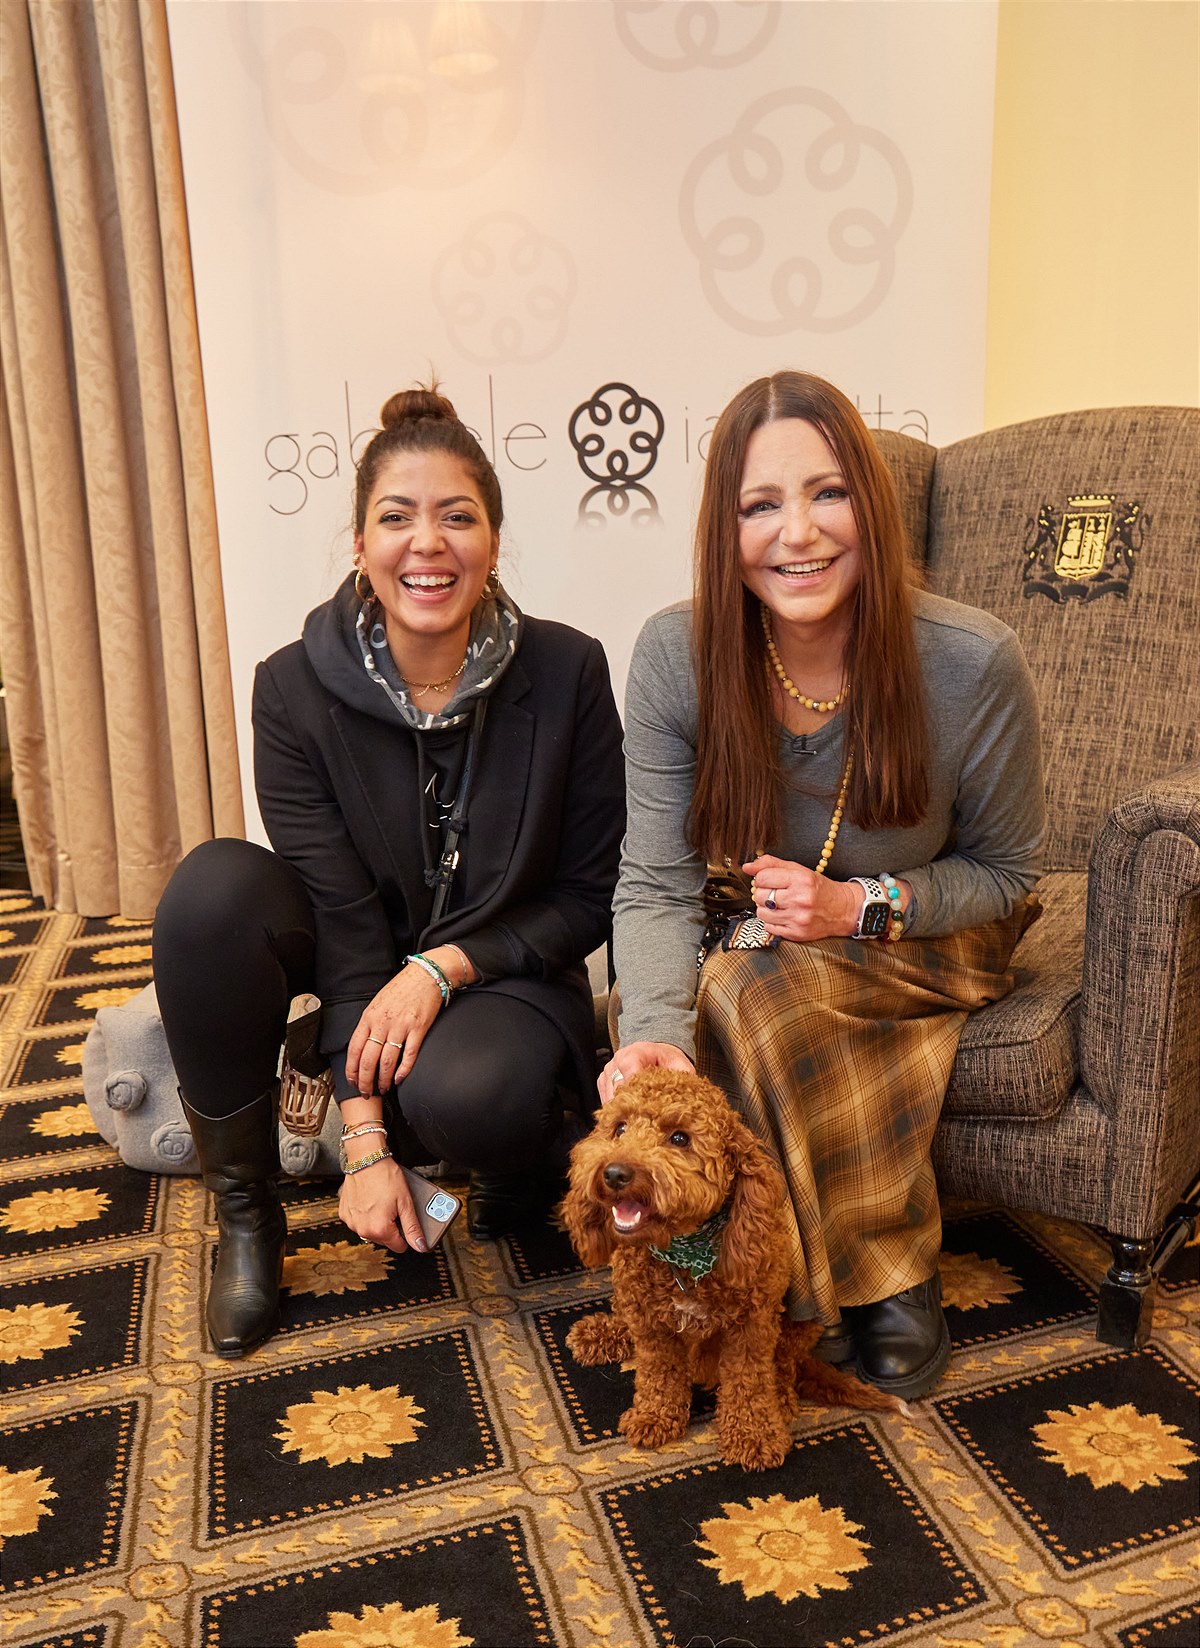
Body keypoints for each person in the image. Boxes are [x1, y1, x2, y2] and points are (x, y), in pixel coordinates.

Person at [153, 386, 625, 1358]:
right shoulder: (290, 689)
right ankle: (245, 1215)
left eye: (458, 515)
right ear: (360, 544)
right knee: (210, 894)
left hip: (505, 965)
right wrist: (361, 1140)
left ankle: (527, 1153)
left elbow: (584, 895)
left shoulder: (568, 670)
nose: (429, 542)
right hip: (358, 952)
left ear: (494, 539)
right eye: (397, 517)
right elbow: (343, 918)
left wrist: (441, 968)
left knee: (476, 1099)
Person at [601, 371, 1044, 1400]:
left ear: (870, 508)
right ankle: (735, 1282)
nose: (797, 531)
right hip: (775, 936)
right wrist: (647, 1030)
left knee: (752, 994)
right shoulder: (677, 653)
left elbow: (1010, 870)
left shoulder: (971, 661)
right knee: (715, 999)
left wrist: (862, 906)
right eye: (761, 505)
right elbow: (656, 880)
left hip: (936, 926)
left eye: (827, 493)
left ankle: (883, 1272)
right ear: (726, 527)